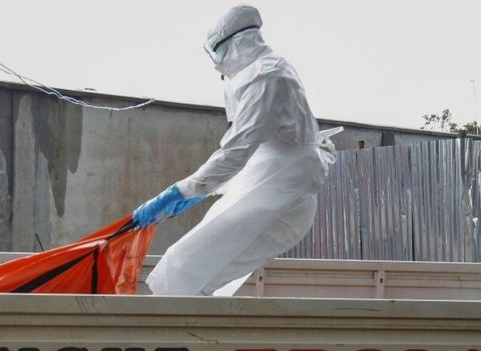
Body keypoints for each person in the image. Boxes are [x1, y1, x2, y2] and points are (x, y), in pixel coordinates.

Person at [133, 4, 342, 296]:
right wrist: (201, 191)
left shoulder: (266, 77)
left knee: (182, 266)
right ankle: (197, 334)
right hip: (282, 185)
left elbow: (236, 151)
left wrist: (179, 191)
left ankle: (175, 333)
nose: (216, 63)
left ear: (239, 42)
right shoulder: (268, 71)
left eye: (217, 53)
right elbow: (252, 150)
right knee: (201, 272)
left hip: (280, 185)